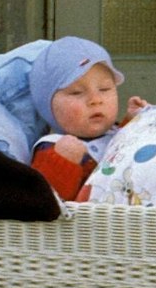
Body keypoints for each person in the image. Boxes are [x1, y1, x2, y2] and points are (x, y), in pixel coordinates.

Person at [27, 37, 148, 200]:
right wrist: (63, 161)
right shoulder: (52, 147)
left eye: (104, 89)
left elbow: (121, 149)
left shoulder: (115, 132)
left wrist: (133, 122)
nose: (95, 100)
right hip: (91, 224)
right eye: (76, 92)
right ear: (48, 106)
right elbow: (45, 202)